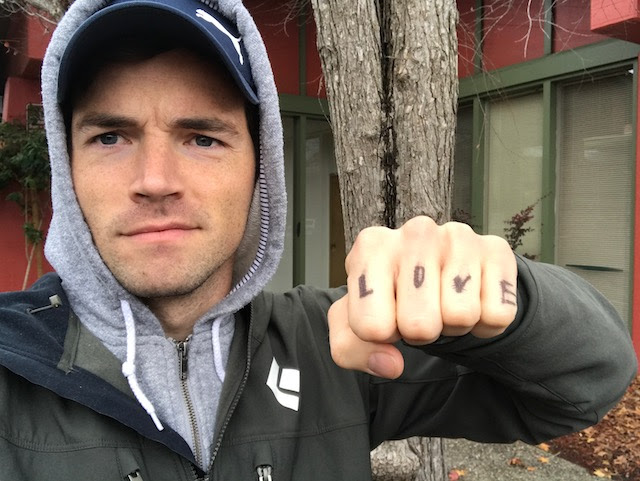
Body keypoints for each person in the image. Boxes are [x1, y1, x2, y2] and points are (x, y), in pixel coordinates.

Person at [0, 0, 636, 479]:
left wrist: (515, 300)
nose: (156, 180)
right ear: (68, 163)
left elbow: (587, 384)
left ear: (261, 170)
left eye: (203, 137)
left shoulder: (334, 346)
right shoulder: (12, 364)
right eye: (110, 137)